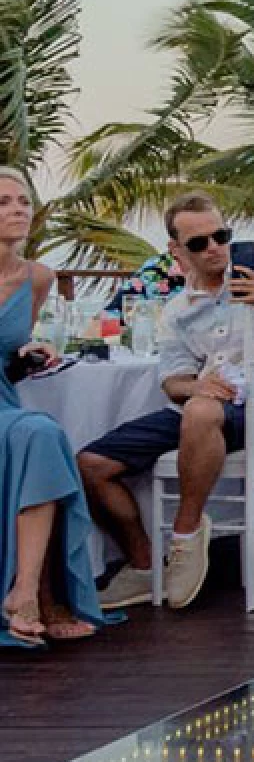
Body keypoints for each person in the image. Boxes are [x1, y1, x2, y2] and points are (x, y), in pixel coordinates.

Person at [75, 192, 254, 609]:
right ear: (177, 250)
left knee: (202, 411)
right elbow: (173, 381)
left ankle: (184, 537)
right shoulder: (178, 310)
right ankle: (145, 565)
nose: (214, 247)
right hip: (202, 408)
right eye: (199, 243)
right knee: (92, 466)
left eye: (220, 236)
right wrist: (199, 387)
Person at [0, 168, 106, 649]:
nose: (18, 209)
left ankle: (24, 593)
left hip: (5, 401)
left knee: (40, 432)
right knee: (35, 432)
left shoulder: (38, 277)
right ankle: (41, 597)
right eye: (3, 202)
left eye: (23, 200)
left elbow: (11, 350)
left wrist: (28, 351)